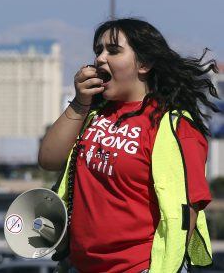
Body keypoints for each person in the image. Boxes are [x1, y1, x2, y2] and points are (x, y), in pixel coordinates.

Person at [38, 18, 220, 273]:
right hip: (81, 266)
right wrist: (80, 103)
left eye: (113, 51)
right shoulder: (93, 115)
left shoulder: (174, 127)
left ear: (144, 64)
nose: (100, 58)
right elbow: (49, 159)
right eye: (98, 51)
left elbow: (186, 211)